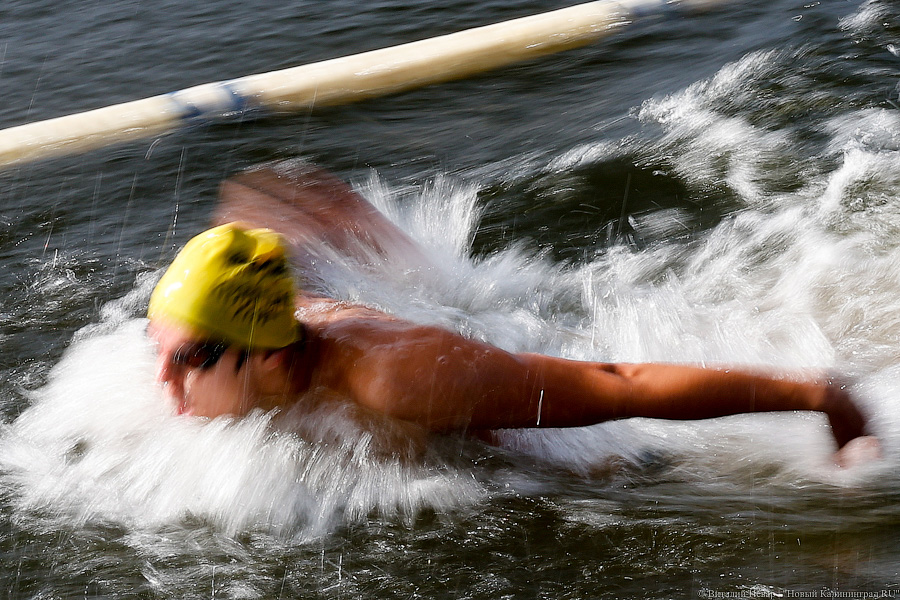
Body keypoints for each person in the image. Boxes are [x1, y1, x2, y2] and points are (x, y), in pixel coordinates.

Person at [146, 160, 878, 465]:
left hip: (598, 466)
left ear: (270, 354)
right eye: (161, 348)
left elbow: (618, 384)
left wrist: (815, 396)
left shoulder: (395, 379)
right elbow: (271, 250)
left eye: (188, 360)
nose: (163, 382)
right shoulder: (264, 322)